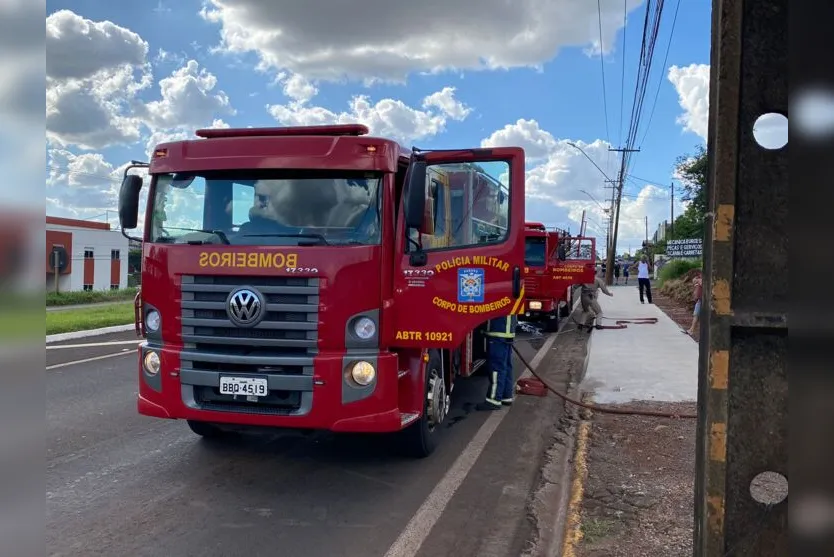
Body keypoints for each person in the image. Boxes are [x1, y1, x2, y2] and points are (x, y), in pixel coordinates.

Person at [476, 313, 518, 411]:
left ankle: (494, 400)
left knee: (496, 368)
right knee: (506, 367)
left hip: (498, 332)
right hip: (506, 333)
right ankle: (506, 396)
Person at [687, 270, 703, 337]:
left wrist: (698, 281)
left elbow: (701, 283)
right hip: (699, 300)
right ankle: (691, 330)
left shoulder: (702, 281)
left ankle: (692, 330)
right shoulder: (698, 280)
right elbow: (694, 281)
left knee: (696, 315)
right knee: (696, 315)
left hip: (703, 300)